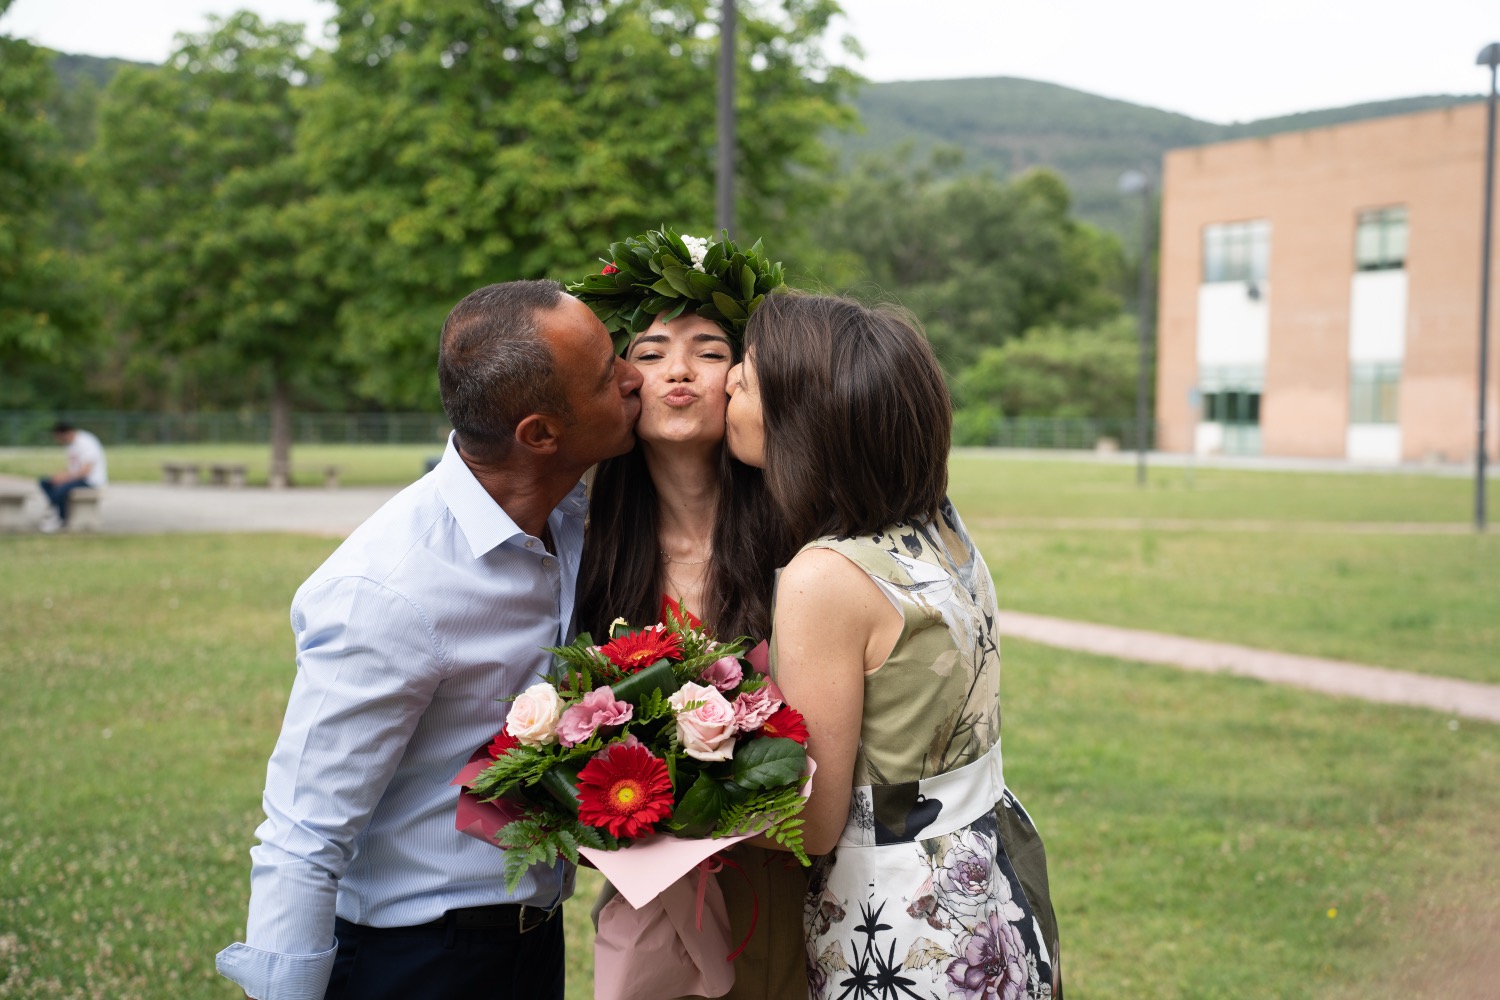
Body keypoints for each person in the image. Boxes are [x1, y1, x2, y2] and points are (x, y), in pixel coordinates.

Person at [215, 280, 643, 1000]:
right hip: (415, 962)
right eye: (609, 375)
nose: (635, 378)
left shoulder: (571, 519)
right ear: (539, 433)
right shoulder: (386, 591)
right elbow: (303, 836)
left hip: (531, 946)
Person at [727, 293, 1063, 999]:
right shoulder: (941, 524)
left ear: (804, 420)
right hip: (988, 876)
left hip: (904, 917)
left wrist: (660, 810)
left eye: (747, 378)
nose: (727, 380)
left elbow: (814, 823)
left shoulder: (827, 576)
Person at [568, 231, 806, 999]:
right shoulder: (581, 548)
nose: (677, 370)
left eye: (707, 351)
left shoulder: (804, 540)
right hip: (657, 895)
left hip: (800, 875)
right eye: (649, 350)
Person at [38, 420, 107, 533]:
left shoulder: (86, 442)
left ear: (68, 433)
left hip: (91, 481)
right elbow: (72, 469)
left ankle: (61, 518)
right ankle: (56, 509)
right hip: (78, 478)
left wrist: (64, 479)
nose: (59, 441)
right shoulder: (70, 445)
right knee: (45, 482)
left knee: (60, 490)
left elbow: (85, 471)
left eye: (60, 438)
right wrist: (58, 477)